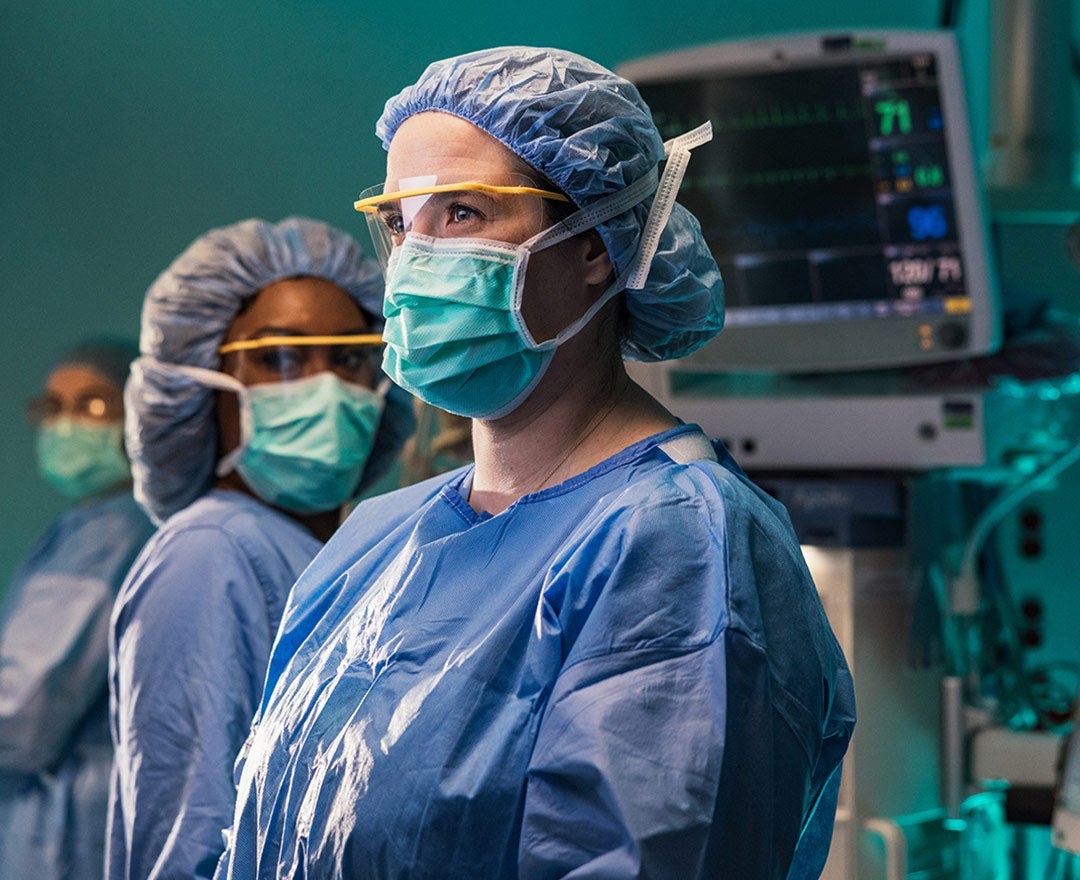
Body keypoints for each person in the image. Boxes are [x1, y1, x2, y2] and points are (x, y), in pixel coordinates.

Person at [215, 49, 856, 880]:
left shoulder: (678, 546)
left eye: (464, 213)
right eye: (402, 222)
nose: (416, 258)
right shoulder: (375, 543)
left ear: (595, 241)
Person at [106, 217, 413, 880]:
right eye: (280, 358)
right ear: (198, 385)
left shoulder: (354, 556)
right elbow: (189, 847)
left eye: (351, 357)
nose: (325, 385)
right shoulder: (211, 554)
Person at [0, 339, 155, 880]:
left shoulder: (116, 534)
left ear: (139, 412)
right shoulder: (83, 528)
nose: (67, 425)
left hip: (68, 837)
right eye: (54, 406)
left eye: (92, 405)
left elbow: (21, 714)